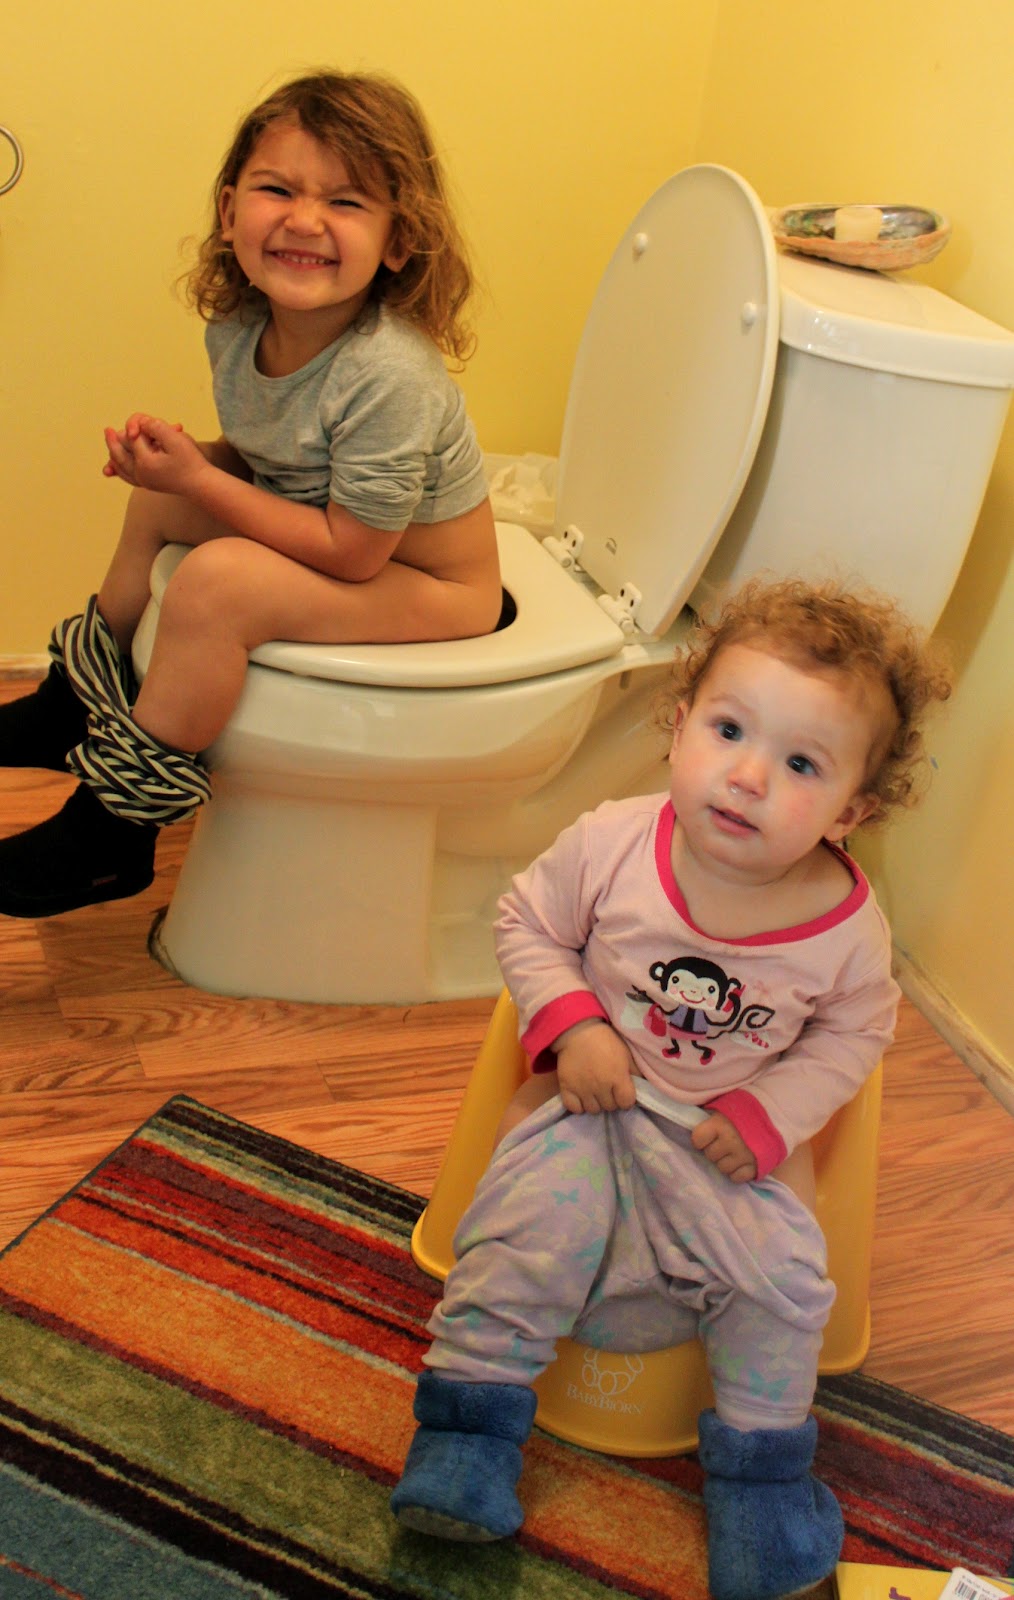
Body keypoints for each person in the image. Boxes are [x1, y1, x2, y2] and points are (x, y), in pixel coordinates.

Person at [391, 577, 952, 1600]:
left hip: (720, 1142)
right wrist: (576, 1026)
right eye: (729, 730)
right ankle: (464, 1440)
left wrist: (769, 1114)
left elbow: (856, 1034)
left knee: (787, 1285)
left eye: (801, 763)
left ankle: (760, 1496)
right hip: (590, 1103)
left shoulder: (847, 932)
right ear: (680, 725)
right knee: (521, 1231)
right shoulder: (611, 844)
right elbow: (525, 923)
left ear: (851, 810)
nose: (747, 776)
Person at [0, 70, 501, 918]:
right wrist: (182, 468)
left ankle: (114, 830)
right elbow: (280, 459)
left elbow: (352, 551)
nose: (304, 219)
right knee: (159, 505)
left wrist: (203, 479)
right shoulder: (239, 325)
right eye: (278, 190)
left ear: (399, 241)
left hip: (437, 588)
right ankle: (76, 700)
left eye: (346, 201)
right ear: (230, 211)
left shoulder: (389, 374)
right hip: (347, 539)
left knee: (218, 584)